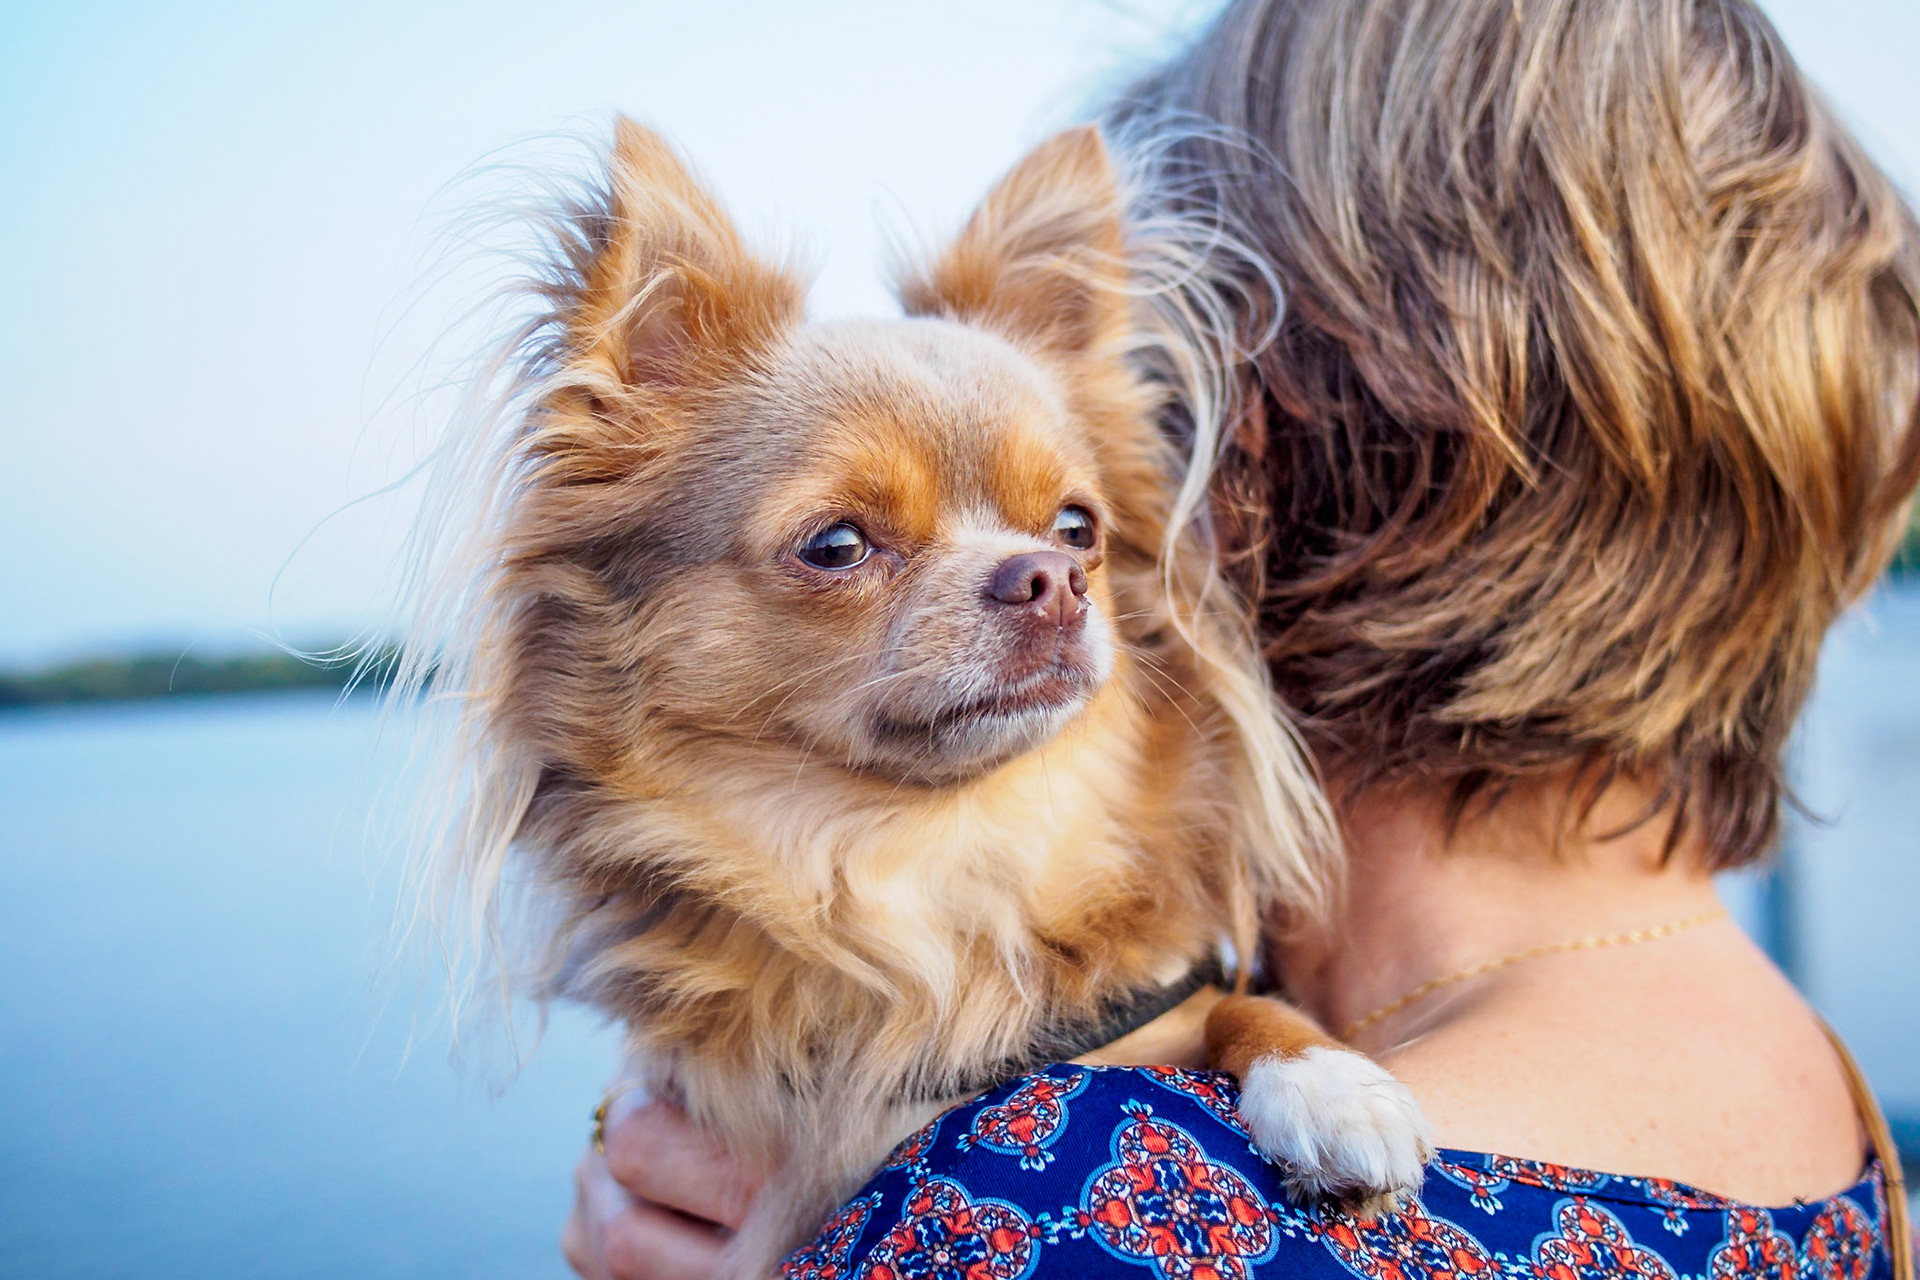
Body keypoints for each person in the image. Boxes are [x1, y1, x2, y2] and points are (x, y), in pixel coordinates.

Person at [561, 0, 1920, 1276]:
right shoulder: (1820, 1088)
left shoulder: (1060, 1207)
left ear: (1271, 444)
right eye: (840, 546)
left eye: (1087, 511)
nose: (1062, 577)